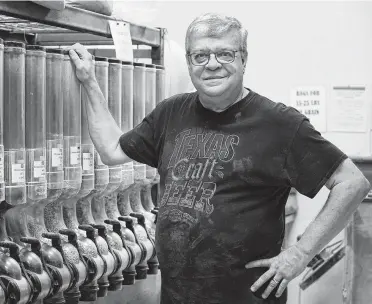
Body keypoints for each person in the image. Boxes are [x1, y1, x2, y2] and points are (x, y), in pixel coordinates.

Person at [68, 13, 371, 304]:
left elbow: (352, 183)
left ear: (243, 58)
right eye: (200, 56)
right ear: (188, 63)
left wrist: (300, 254)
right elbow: (111, 150)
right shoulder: (171, 113)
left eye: (224, 54)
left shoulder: (279, 124)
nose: (212, 65)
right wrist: (89, 82)